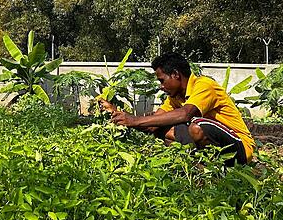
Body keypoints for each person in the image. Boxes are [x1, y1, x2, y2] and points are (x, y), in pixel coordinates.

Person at [102, 52, 255, 165]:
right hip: (216, 147)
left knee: (197, 127)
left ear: (175, 74)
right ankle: (199, 169)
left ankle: (213, 170)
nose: (161, 86)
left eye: (162, 80)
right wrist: (118, 115)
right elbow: (152, 125)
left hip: (240, 147)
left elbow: (186, 114)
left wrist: (134, 120)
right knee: (162, 129)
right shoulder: (175, 97)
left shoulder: (204, 85)